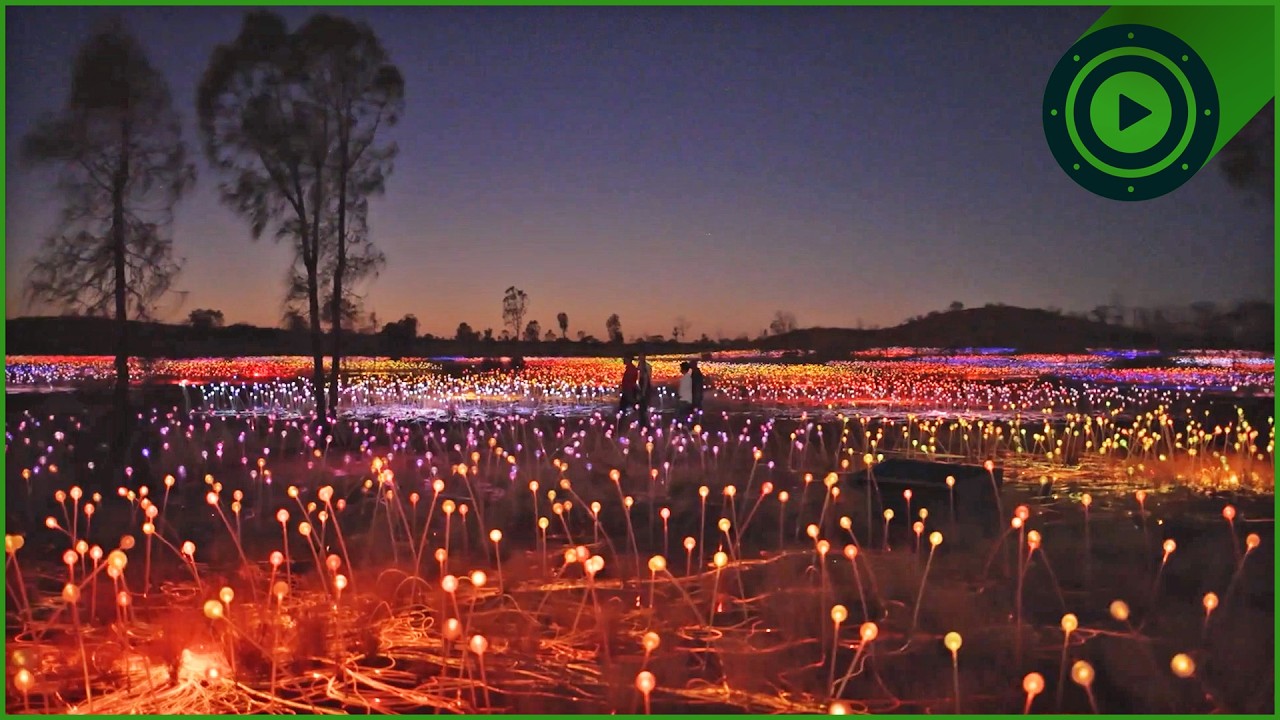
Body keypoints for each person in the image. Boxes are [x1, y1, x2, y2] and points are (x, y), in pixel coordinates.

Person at [618, 355, 638, 426]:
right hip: (628, 391)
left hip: (628, 392)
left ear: (629, 359)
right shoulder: (631, 368)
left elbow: (630, 382)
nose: (623, 360)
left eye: (625, 358)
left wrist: (626, 390)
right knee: (626, 407)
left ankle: (622, 424)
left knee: (624, 408)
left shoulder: (631, 369)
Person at [636, 351, 653, 428]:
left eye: (641, 357)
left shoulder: (646, 366)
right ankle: (643, 423)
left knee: (644, 406)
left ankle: (645, 424)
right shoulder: (640, 365)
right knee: (642, 407)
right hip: (642, 387)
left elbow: (646, 379)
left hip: (645, 388)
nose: (639, 358)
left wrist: (643, 391)